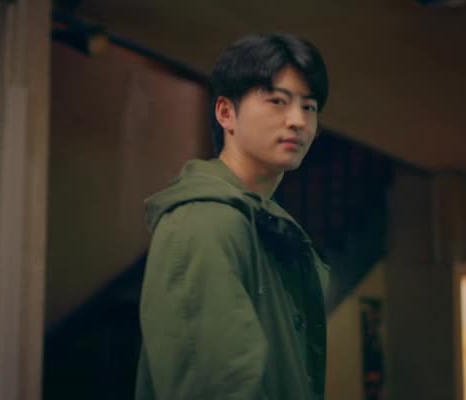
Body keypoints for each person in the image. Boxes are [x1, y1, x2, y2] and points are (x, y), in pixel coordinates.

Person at [135, 33, 331, 400]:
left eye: (309, 107)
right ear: (226, 113)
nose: (298, 121)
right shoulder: (205, 221)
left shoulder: (265, 225)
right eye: (278, 101)